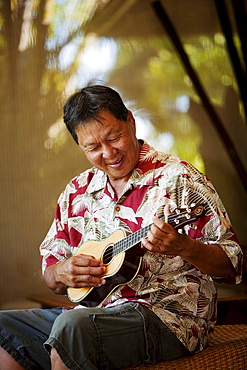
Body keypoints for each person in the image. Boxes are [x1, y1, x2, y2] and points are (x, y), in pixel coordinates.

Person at [0, 84, 243, 370]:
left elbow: (232, 265)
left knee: (72, 327)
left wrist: (184, 246)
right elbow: (52, 274)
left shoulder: (179, 178)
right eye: (92, 147)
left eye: (114, 137)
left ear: (130, 120)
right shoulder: (77, 191)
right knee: (5, 325)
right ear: (80, 145)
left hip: (168, 319)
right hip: (88, 312)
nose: (108, 153)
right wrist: (62, 271)